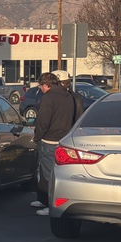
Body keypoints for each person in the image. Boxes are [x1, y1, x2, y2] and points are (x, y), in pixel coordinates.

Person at [31, 70, 84, 216]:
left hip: (49, 140)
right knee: (56, 173)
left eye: (40, 86)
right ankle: (47, 201)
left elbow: (43, 121)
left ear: (46, 85)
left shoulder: (49, 98)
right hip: (63, 139)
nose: (40, 89)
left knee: (48, 175)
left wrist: (37, 137)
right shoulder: (69, 96)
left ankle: (50, 205)